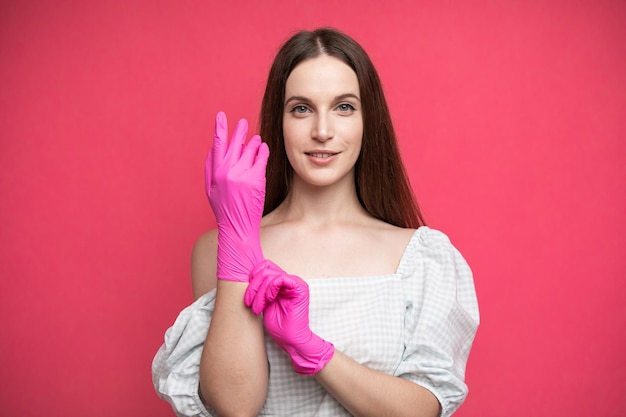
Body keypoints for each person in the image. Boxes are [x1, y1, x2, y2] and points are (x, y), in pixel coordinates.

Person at [152, 27, 479, 417]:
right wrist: (239, 239)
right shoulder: (216, 250)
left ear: (367, 121)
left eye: (344, 107)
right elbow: (233, 407)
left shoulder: (422, 256)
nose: (322, 132)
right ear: (280, 121)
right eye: (301, 108)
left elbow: (422, 409)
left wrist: (312, 349)